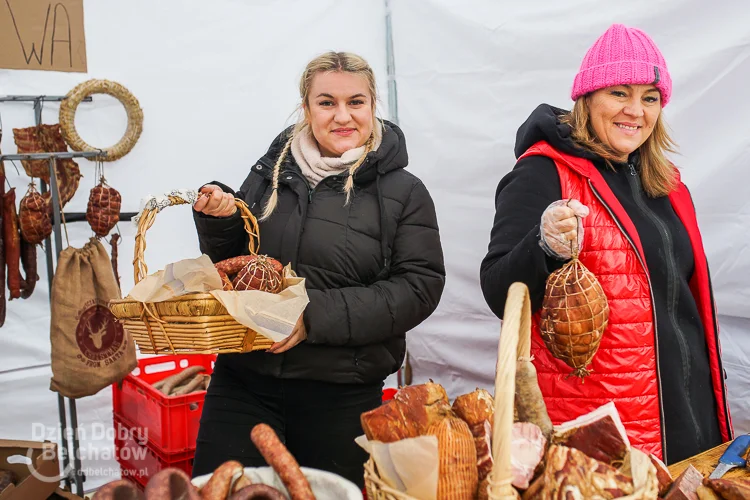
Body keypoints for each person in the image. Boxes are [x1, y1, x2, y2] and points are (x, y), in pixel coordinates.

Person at [190, 51, 445, 486]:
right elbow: (238, 267)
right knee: (220, 492)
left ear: (373, 106)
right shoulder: (270, 174)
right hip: (243, 382)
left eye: (356, 102)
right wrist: (222, 222)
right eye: (326, 102)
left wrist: (312, 317)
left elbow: (418, 287)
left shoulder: (404, 192)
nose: (342, 115)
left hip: (341, 395)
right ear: (306, 109)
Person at [480, 24, 732, 464]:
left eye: (649, 97)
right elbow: (499, 291)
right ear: (588, 98)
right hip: (605, 424)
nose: (635, 110)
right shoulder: (542, 173)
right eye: (619, 92)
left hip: (688, 416)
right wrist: (544, 244)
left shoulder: (668, 185)